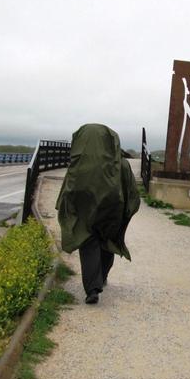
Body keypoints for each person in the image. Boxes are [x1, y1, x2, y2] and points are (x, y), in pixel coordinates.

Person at [56, 123, 140, 304]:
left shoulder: (79, 164)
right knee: (108, 241)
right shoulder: (121, 164)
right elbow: (131, 192)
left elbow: (67, 189)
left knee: (88, 241)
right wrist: (127, 210)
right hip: (111, 211)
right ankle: (101, 276)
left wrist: (66, 209)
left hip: (84, 211)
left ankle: (93, 288)